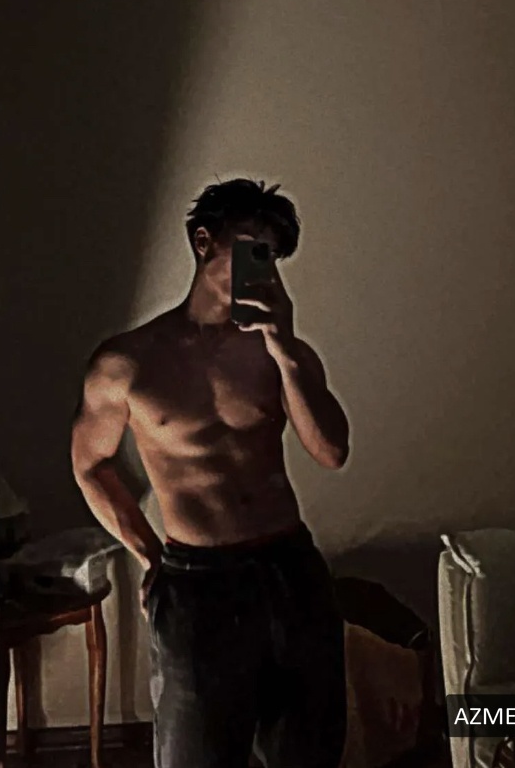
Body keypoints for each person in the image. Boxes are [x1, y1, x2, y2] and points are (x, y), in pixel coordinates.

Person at [71, 177, 350, 768]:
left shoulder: (282, 354)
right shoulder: (127, 363)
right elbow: (90, 466)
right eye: (251, 247)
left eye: (270, 255)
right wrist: (149, 556)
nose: (261, 265)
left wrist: (284, 345)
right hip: (197, 582)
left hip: (290, 570)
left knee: (309, 752)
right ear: (204, 242)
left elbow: (331, 451)